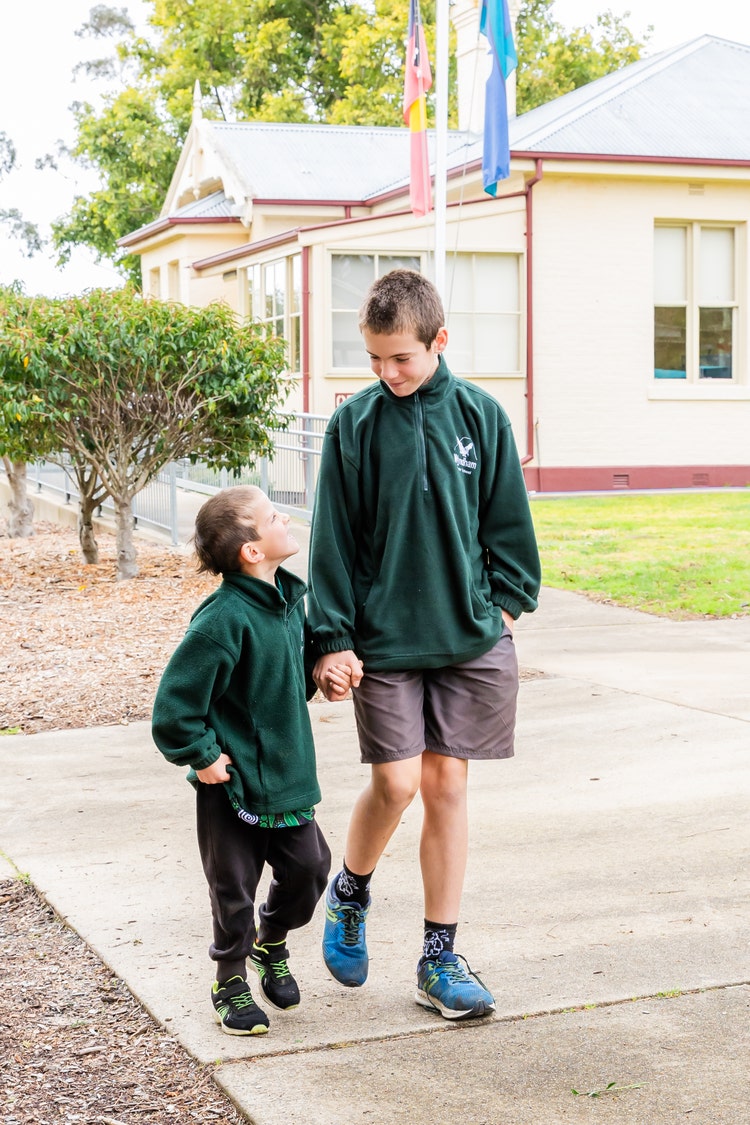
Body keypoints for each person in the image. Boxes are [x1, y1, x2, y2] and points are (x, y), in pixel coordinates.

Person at [307, 269, 541, 1021]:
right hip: (385, 644)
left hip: (470, 640)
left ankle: (439, 958)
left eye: (400, 357)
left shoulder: (482, 416)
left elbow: (509, 529)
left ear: (440, 341)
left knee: (447, 787)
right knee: (398, 783)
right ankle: (350, 889)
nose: (386, 372)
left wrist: (502, 608)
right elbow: (332, 543)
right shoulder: (356, 427)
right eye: (373, 359)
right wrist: (333, 638)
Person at [152, 485, 354, 1035]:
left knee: (311, 870)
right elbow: (174, 708)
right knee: (232, 887)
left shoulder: (289, 603)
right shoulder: (221, 621)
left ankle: (272, 942)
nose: (283, 518)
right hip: (233, 783)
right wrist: (201, 756)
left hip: (289, 777)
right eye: (272, 516)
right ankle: (231, 978)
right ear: (251, 551)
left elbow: (289, 674)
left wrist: (324, 671)